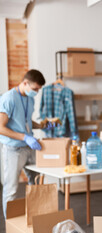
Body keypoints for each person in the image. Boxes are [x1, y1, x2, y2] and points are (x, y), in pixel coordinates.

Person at [0, 69, 52, 217]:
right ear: (25, 83)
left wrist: (41, 125)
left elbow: (25, 122)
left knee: (36, 184)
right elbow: (0, 127)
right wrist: (24, 137)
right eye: (35, 89)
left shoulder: (30, 98)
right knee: (11, 189)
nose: (37, 92)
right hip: (13, 149)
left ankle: (36, 218)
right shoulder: (9, 98)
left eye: (39, 89)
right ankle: (10, 225)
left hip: (29, 146)